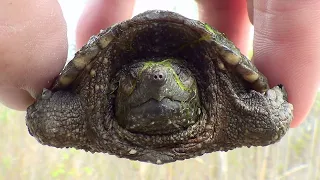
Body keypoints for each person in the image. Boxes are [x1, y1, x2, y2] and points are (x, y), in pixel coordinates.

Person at [0, 0, 319, 127]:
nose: (155, 77)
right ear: (111, 89)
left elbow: (268, 111)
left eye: (177, 75)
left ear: (201, 86)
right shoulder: (84, 107)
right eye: (133, 79)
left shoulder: (229, 103)